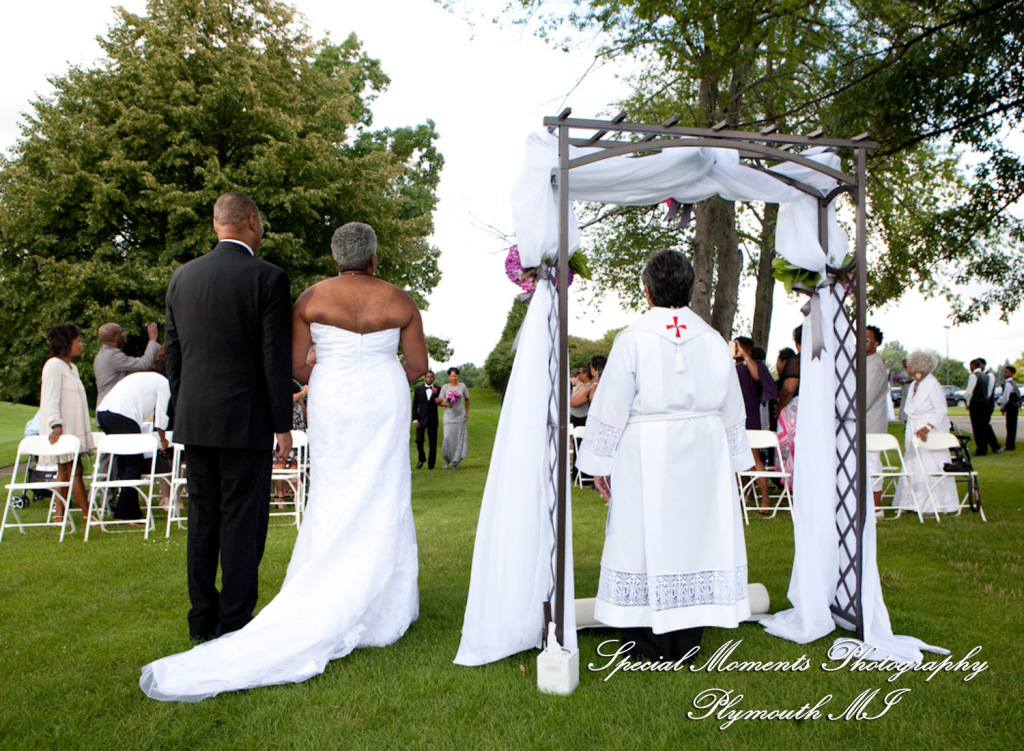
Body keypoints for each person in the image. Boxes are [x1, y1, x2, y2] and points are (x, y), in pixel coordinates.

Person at [141, 220, 427, 702]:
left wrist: (328, 365)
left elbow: (293, 365)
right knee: (385, 489)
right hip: (385, 396)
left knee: (334, 488)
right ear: (374, 257)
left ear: (336, 259)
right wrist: (382, 372)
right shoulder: (401, 300)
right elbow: (417, 366)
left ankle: (323, 584)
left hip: (332, 395)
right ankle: (383, 604)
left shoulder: (311, 298)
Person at [576, 249, 752, 662]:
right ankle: (686, 641)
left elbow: (611, 405)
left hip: (646, 451)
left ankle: (646, 644)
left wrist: (600, 464)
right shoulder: (711, 339)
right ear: (689, 289)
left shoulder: (633, 338)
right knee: (696, 537)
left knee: (643, 534)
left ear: (647, 290)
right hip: (705, 452)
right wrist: (735, 457)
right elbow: (732, 407)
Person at [162, 192, 294, 643]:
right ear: (252, 222)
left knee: (202, 519)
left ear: (216, 224)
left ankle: (201, 617)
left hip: (195, 420)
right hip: (246, 420)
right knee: (242, 519)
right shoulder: (268, 278)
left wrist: (182, 410)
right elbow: (274, 360)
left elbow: (173, 356)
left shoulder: (181, 278)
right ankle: (235, 620)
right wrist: (283, 424)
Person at [94, 351, 171, 522]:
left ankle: (132, 512)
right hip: (123, 417)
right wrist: (163, 439)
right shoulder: (163, 382)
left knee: (126, 462)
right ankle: (123, 514)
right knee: (134, 463)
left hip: (103, 413)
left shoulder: (140, 377)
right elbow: (161, 416)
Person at [38, 324, 95, 524]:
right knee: (73, 469)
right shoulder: (53, 366)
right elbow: (50, 397)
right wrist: (56, 423)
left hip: (73, 426)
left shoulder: (73, 368)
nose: (80, 344)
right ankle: (87, 513)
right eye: (77, 341)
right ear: (66, 344)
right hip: (62, 427)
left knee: (66, 470)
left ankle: (59, 514)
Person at [894, 351, 958, 513]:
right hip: (914, 430)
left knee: (929, 466)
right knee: (913, 466)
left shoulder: (932, 385)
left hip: (930, 433)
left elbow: (941, 410)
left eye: (910, 364)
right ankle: (910, 502)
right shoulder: (916, 384)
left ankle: (932, 504)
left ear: (919, 368)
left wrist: (927, 428)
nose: (907, 366)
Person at [733, 336, 777, 512]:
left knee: (754, 457)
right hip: (731, 416)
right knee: (735, 459)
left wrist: (745, 356)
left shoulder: (755, 364)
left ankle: (765, 499)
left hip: (749, 415)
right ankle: (742, 496)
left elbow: (757, 377)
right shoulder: (730, 366)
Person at [93, 322, 161, 405]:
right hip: (113, 406)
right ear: (113, 338)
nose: (124, 334)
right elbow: (144, 363)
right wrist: (152, 340)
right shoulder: (114, 357)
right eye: (121, 332)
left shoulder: (102, 354)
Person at [864, 325, 892, 512]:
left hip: (871, 424)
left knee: (872, 464)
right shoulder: (862, 362)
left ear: (876, 344)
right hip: (860, 424)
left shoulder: (875, 365)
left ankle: (876, 506)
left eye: (866, 339)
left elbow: (865, 398)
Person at [775, 329, 802, 485]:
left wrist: (780, 407)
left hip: (796, 411)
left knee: (792, 447)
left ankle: (792, 482)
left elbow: (789, 388)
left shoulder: (798, 361)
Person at [965, 358, 1001, 455]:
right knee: (983, 426)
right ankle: (984, 447)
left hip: (976, 404)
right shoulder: (986, 376)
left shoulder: (974, 376)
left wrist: (968, 403)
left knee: (977, 428)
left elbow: (969, 392)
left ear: (972, 366)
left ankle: (981, 449)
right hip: (984, 404)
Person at [438, 366, 470, 469]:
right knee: (447, 437)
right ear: (448, 377)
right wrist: (447, 404)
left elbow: (467, 399)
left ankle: (455, 461)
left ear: (458, 376)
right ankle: (447, 460)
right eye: (452, 376)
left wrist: (466, 413)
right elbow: (439, 402)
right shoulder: (445, 387)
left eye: (455, 376)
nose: (453, 378)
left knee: (458, 438)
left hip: (459, 415)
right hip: (448, 416)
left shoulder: (462, 386)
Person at [412, 371, 440, 469]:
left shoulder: (438, 389)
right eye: (428, 377)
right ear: (424, 378)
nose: (429, 379)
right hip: (421, 419)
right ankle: (422, 458)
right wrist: (415, 419)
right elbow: (415, 406)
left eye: (431, 377)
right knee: (419, 440)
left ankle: (431, 465)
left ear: (434, 379)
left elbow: (442, 400)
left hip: (433, 420)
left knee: (433, 443)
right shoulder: (418, 390)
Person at [998, 365, 1019, 450]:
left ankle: (1010, 445)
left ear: (1012, 373)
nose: (1004, 373)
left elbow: (1006, 397)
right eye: (1004, 371)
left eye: (1007, 372)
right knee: (1012, 426)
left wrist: (1002, 406)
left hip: (1011, 407)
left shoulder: (1008, 384)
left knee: (1010, 426)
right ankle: (1010, 444)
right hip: (1014, 406)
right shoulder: (1012, 384)